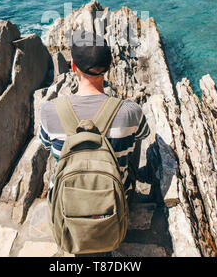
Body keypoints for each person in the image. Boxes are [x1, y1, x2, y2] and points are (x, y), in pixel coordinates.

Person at [39, 30, 150, 255]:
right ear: (110, 64)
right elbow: (142, 136)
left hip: (66, 204)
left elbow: (46, 145)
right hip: (115, 203)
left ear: (72, 67)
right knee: (131, 145)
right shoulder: (130, 111)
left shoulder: (50, 111)